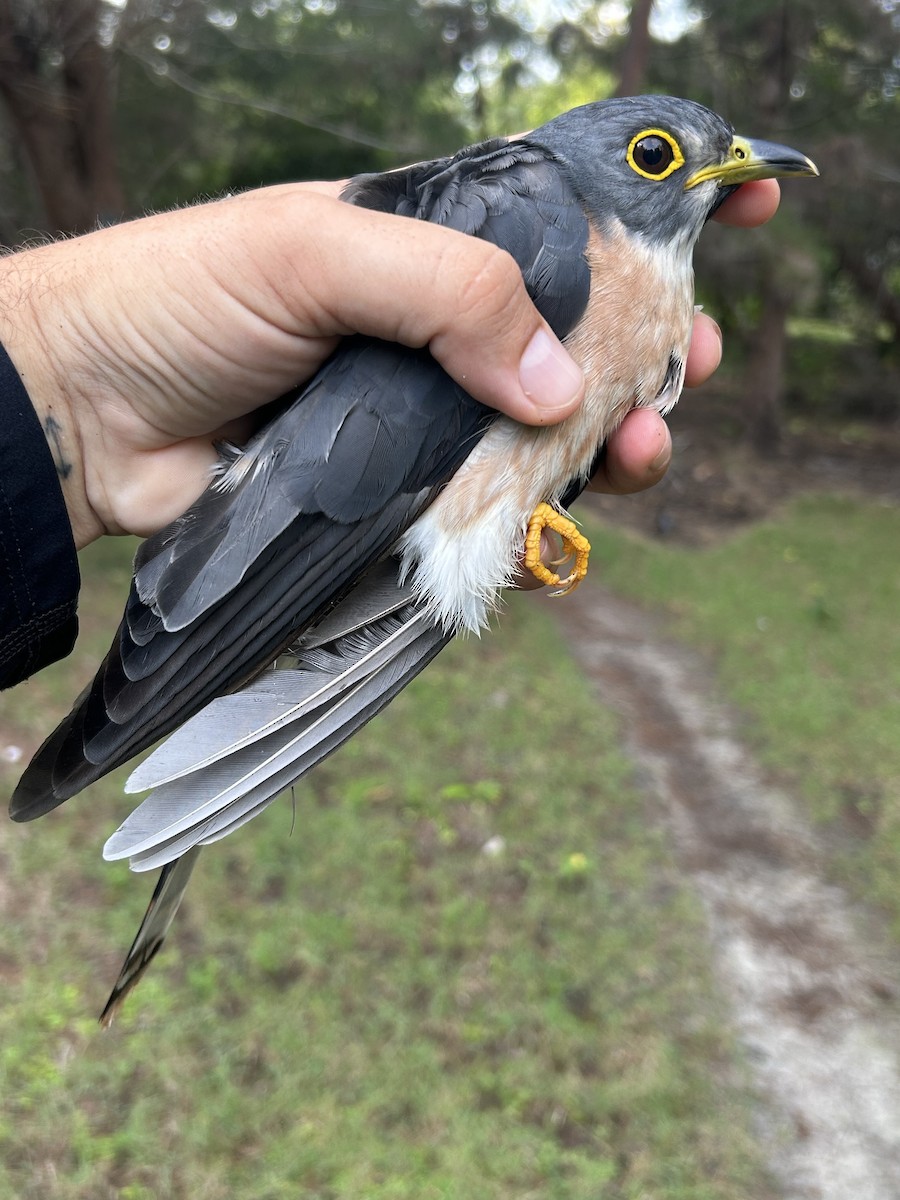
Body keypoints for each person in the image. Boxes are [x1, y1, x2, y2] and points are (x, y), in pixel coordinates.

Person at [0, 176, 781, 690]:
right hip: (300, 506)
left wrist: (61, 386)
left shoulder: (626, 275)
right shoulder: (548, 215)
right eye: (655, 157)